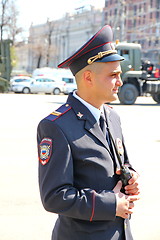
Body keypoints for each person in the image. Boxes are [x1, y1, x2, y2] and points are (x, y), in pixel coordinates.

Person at [37, 25, 140, 240]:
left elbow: (120, 164)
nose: (120, 82)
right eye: (113, 75)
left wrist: (131, 177)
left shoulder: (112, 116)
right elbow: (54, 197)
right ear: (88, 78)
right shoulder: (56, 126)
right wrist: (111, 204)